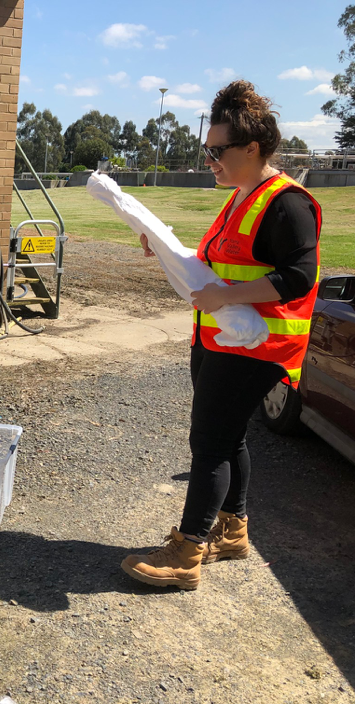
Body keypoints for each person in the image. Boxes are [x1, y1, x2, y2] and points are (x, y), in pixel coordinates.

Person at [121, 80, 321, 590]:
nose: (209, 159)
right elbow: (216, 264)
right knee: (228, 436)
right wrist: (165, 250)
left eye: (217, 150)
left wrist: (228, 299)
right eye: (206, 149)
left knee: (209, 440)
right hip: (220, 338)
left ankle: (186, 552)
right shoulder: (241, 197)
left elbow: (299, 277)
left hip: (259, 345)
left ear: (252, 148)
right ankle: (233, 531)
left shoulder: (287, 204)